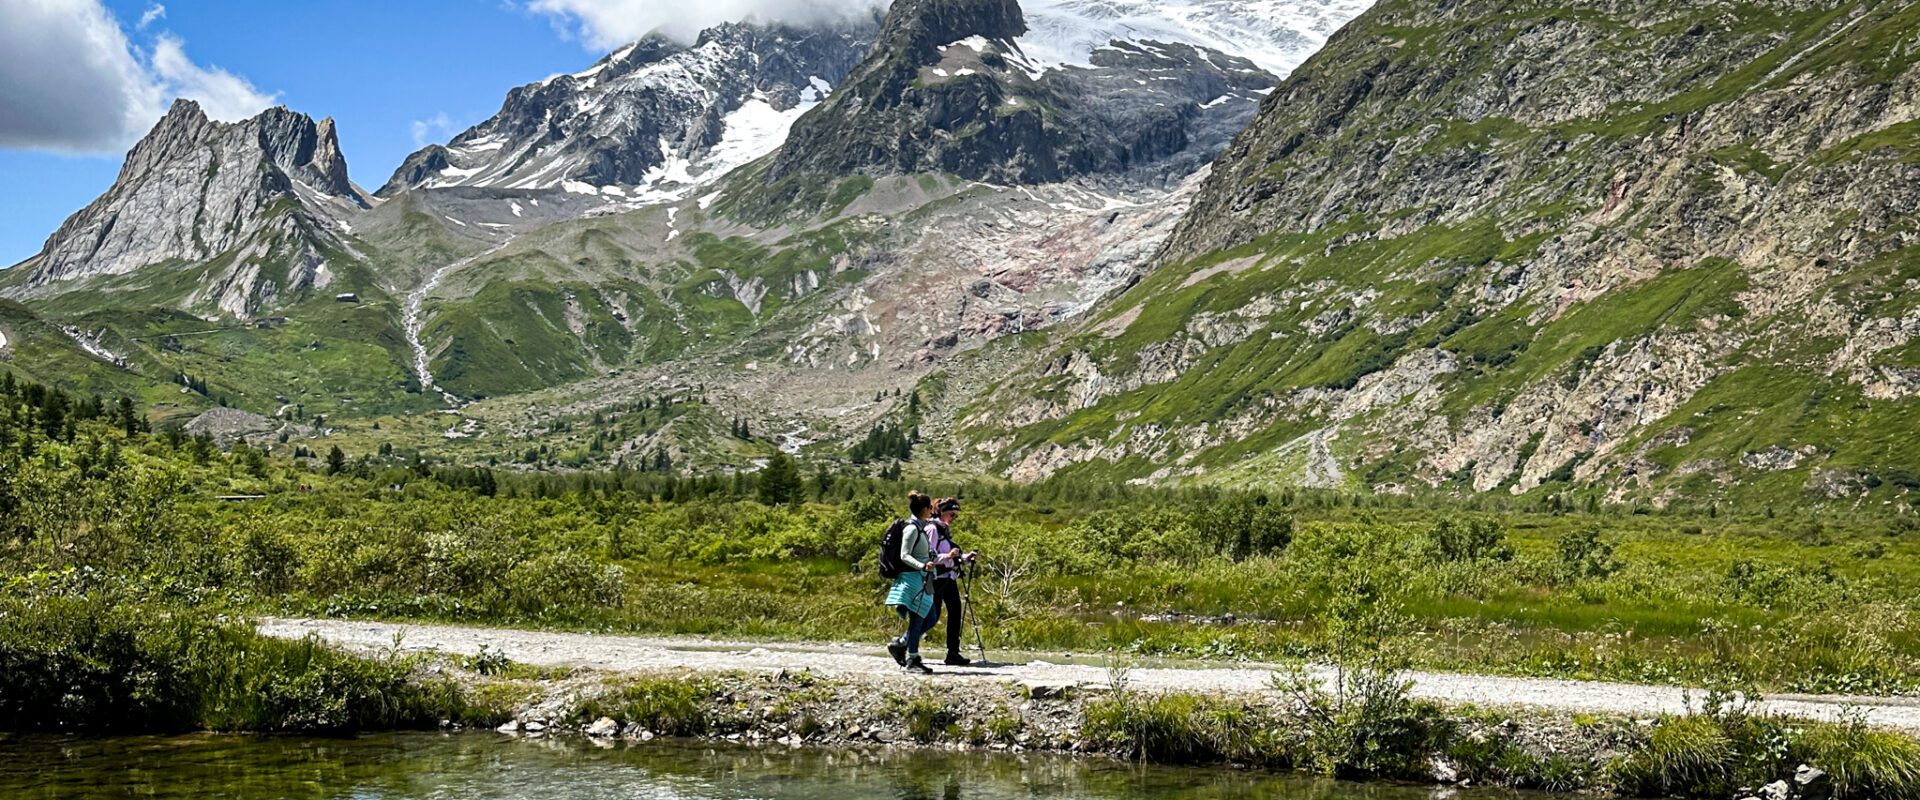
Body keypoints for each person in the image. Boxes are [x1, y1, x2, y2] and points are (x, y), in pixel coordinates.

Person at [885, 491, 954, 674]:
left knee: (930, 618)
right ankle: (913, 659)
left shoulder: (921, 527)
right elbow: (904, 555)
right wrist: (922, 566)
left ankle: (901, 643)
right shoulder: (911, 528)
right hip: (913, 579)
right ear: (924, 509)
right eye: (930, 507)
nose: (932, 510)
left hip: (923, 579)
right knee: (918, 619)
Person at [925, 497, 972, 665]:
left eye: (955, 515)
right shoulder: (933, 529)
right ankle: (905, 642)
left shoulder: (944, 530)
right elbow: (928, 556)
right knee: (933, 616)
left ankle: (953, 652)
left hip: (948, 578)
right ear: (942, 512)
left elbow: (950, 557)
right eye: (952, 514)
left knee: (955, 613)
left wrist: (965, 558)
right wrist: (948, 556)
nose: (954, 518)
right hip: (937, 579)